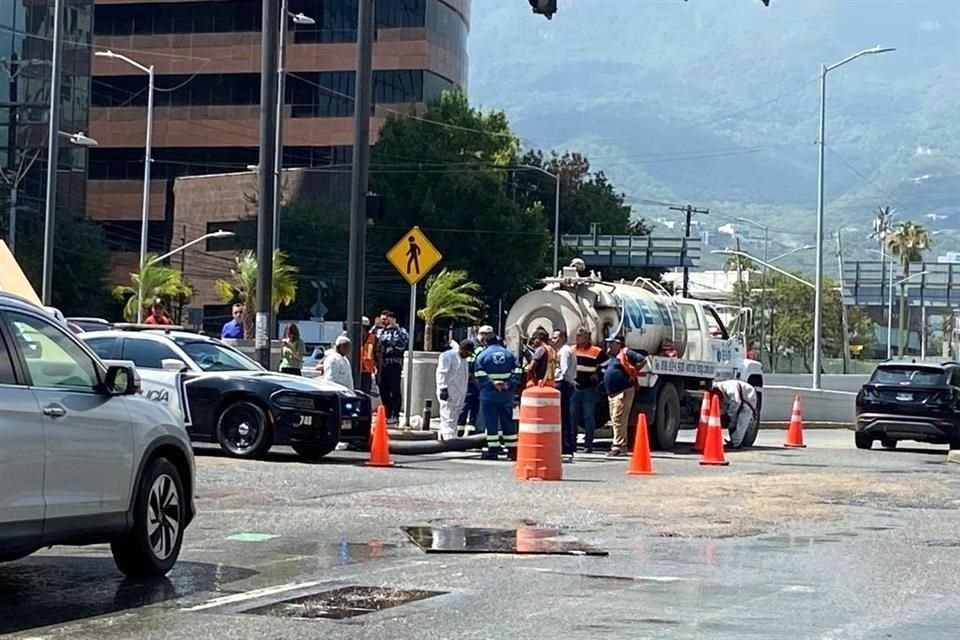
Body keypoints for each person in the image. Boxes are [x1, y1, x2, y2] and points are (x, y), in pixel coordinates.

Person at [474, 334, 522, 460]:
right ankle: (512, 450)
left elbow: (478, 372)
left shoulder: (482, 355)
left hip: (489, 395)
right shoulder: (510, 355)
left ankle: (493, 450)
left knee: (491, 423)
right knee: (508, 421)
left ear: (485, 342)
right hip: (506, 395)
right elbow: (518, 370)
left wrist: (493, 383)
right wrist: (509, 383)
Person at [602, 335, 648, 457]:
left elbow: (643, 359)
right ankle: (620, 444)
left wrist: (634, 371)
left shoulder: (626, 352)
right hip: (613, 393)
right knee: (615, 419)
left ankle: (618, 446)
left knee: (619, 418)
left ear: (618, 344)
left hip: (623, 390)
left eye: (611, 343)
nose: (609, 346)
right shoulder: (612, 357)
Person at [458, 325, 494, 435]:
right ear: (482, 335)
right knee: (465, 407)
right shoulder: (473, 346)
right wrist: (476, 382)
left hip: (476, 384)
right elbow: (469, 367)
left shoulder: (482, 347)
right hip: (470, 384)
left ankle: (470, 433)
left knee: (474, 409)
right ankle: (459, 432)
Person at [436, 339, 475, 441]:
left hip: (459, 393)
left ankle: (450, 436)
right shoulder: (448, 356)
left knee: (454, 417)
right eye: (467, 352)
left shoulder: (463, 360)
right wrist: (443, 388)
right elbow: (442, 373)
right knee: (447, 415)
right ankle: (449, 439)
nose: (468, 355)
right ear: (462, 349)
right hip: (449, 391)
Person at [571, 329, 603, 453]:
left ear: (588, 337)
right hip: (574, 388)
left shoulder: (597, 351)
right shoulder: (572, 350)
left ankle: (588, 444)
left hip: (589, 389)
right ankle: (572, 443)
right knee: (572, 416)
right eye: (577, 335)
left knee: (588, 416)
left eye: (580, 336)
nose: (578, 338)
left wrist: (597, 375)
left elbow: (605, 365)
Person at [376, 310, 409, 424]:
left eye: (385, 319)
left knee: (394, 389)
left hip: (394, 364)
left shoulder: (400, 331)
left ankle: (395, 414)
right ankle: (387, 413)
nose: (383, 322)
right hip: (381, 364)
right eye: (382, 319)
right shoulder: (380, 331)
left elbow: (403, 342)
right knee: (383, 390)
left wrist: (394, 327)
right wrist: (376, 326)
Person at [712, 378, 759, 449]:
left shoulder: (730, 389)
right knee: (732, 422)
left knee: (742, 422)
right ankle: (734, 440)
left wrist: (729, 415)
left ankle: (736, 444)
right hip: (741, 396)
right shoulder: (721, 388)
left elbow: (736, 402)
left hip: (748, 398)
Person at [553, 329, 577, 462]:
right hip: (565, 383)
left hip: (563, 383)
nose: (553, 339)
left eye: (555, 337)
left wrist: (567, 381)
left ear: (562, 338)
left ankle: (567, 446)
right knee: (563, 416)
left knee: (563, 416)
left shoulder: (564, 351)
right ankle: (566, 445)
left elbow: (564, 369)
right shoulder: (564, 350)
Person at [360, 316, 377, 394]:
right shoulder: (352, 337)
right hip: (354, 370)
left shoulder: (374, 339)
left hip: (366, 372)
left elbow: (377, 355)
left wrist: (378, 372)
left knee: (365, 394)